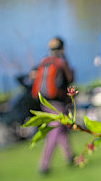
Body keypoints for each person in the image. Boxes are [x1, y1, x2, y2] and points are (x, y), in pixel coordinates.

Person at [32, 37, 74, 175]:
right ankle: (44, 164)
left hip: (44, 101)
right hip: (58, 102)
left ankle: (69, 156)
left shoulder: (45, 61)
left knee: (60, 130)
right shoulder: (61, 63)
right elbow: (71, 78)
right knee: (55, 131)